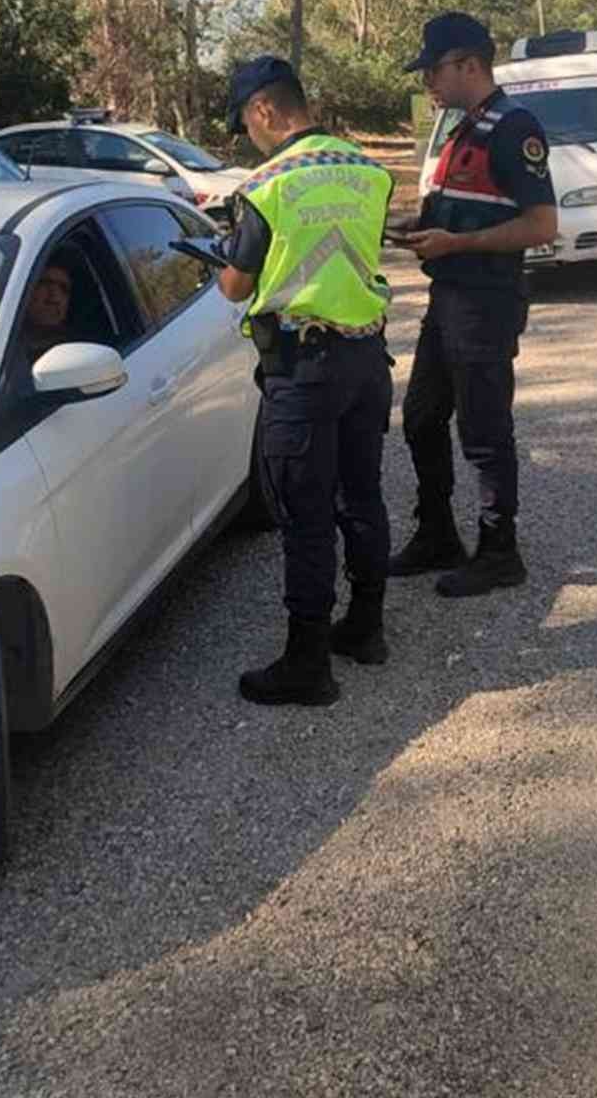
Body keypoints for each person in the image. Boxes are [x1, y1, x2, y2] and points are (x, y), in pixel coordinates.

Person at [217, 55, 395, 708]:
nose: (248, 137)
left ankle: (307, 662)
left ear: (264, 109)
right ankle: (367, 627)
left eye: (245, 123)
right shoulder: (368, 170)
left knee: (304, 513)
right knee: (361, 496)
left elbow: (236, 286)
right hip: (365, 359)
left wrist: (225, 261)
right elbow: (358, 250)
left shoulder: (266, 185)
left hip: (303, 368)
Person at [389, 12, 557, 597]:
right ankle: (437, 533)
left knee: (484, 430)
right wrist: (420, 225)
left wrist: (456, 243)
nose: (428, 83)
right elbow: (466, 202)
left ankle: (499, 551)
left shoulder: (514, 127)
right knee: (420, 418)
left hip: (486, 301)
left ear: (467, 65)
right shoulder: (464, 127)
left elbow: (540, 226)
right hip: (450, 297)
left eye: (433, 71)